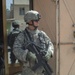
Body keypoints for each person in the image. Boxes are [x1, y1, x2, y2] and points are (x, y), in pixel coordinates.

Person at [13, 10, 54, 75]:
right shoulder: (22, 36)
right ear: (29, 21)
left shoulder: (42, 34)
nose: (38, 23)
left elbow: (50, 45)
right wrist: (27, 55)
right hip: (29, 71)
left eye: (38, 21)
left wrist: (49, 53)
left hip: (42, 70)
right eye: (36, 21)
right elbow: (16, 49)